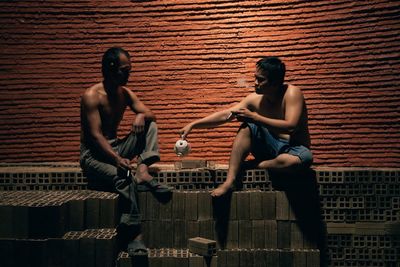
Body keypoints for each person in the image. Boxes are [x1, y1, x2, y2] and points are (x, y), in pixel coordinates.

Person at [80, 47, 171, 255]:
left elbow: (151, 115)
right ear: (111, 69)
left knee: (150, 125)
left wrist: (140, 116)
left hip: (117, 147)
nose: (129, 74)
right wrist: (116, 159)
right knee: (123, 176)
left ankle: (143, 169)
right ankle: (133, 235)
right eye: (125, 70)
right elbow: (95, 136)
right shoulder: (92, 96)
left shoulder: (125, 93)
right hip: (93, 155)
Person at [180, 57, 312, 197]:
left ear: (274, 83)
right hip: (269, 148)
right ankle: (229, 182)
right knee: (247, 126)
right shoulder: (254, 99)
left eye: (261, 80)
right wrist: (193, 124)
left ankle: (258, 164)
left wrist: (256, 117)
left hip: (294, 149)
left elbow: (291, 127)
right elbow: (226, 115)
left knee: (301, 160)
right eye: (255, 78)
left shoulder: (292, 93)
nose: (255, 83)